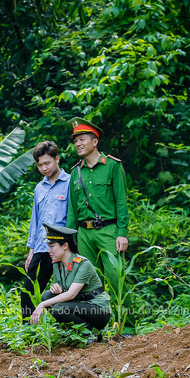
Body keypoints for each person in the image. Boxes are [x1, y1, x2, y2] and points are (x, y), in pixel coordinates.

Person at [65, 117, 135, 334]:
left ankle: (127, 328)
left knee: (116, 279)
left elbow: (121, 202)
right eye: (75, 140)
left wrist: (122, 233)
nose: (78, 144)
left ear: (94, 141)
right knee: (87, 285)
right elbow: (71, 212)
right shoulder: (75, 172)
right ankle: (96, 330)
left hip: (108, 231)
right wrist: (69, 241)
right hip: (84, 234)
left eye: (82, 139)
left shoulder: (113, 166)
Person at [30, 224, 111, 341]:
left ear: (65, 245)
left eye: (52, 246)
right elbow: (63, 291)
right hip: (79, 305)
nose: (49, 251)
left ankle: (92, 333)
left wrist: (42, 305)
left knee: (57, 307)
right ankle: (74, 331)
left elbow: (71, 294)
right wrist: (56, 289)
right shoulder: (57, 264)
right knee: (47, 295)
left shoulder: (83, 264)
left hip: (97, 309)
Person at [22, 140, 70, 321]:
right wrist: (31, 250)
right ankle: (28, 332)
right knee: (28, 291)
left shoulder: (70, 182)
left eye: (47, 163)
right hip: (42, 248)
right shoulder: (39, 188)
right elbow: (35, 220)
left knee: (66, 290)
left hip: (63, 249)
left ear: (57, 159)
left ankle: (72, 330)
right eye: (40, 165)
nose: (44, 168)